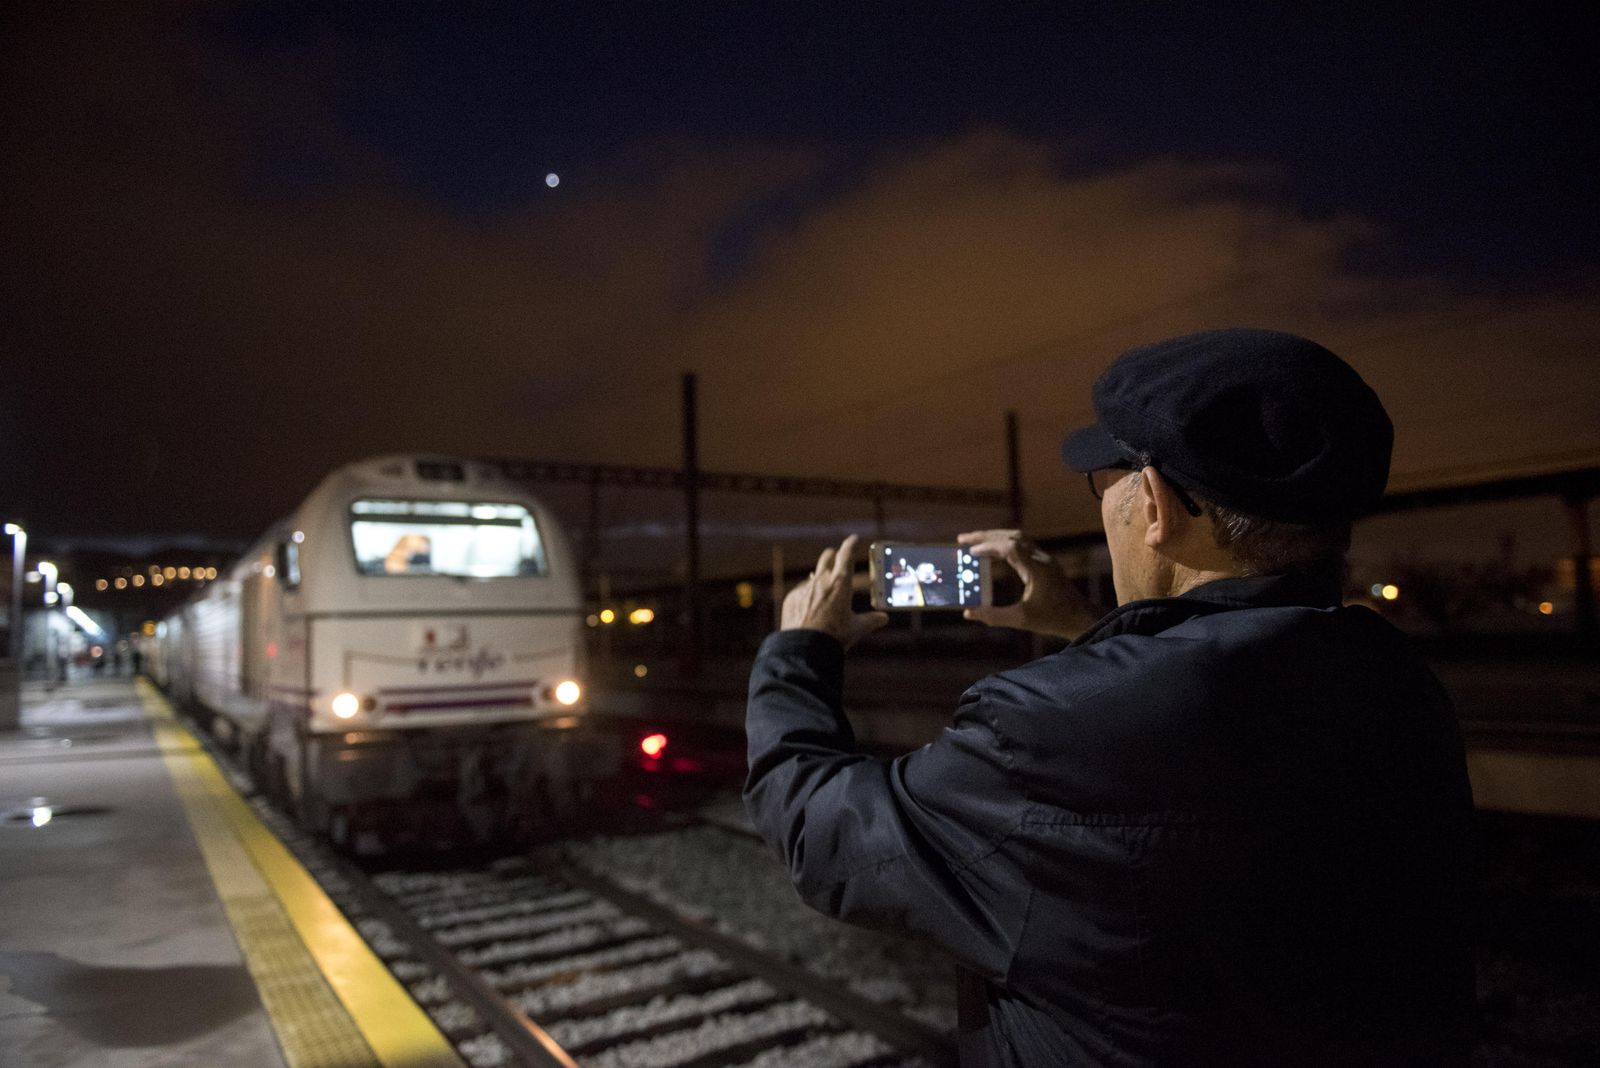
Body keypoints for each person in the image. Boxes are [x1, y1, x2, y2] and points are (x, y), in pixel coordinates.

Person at [744, 328, 1473, 1066]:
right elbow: (1199, 708)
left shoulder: (1043, 733)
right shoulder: (1393, 680)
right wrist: (1086, 629)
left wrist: (799, 649)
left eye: (1111, 478)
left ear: (1154, 503)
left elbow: (823, 833)